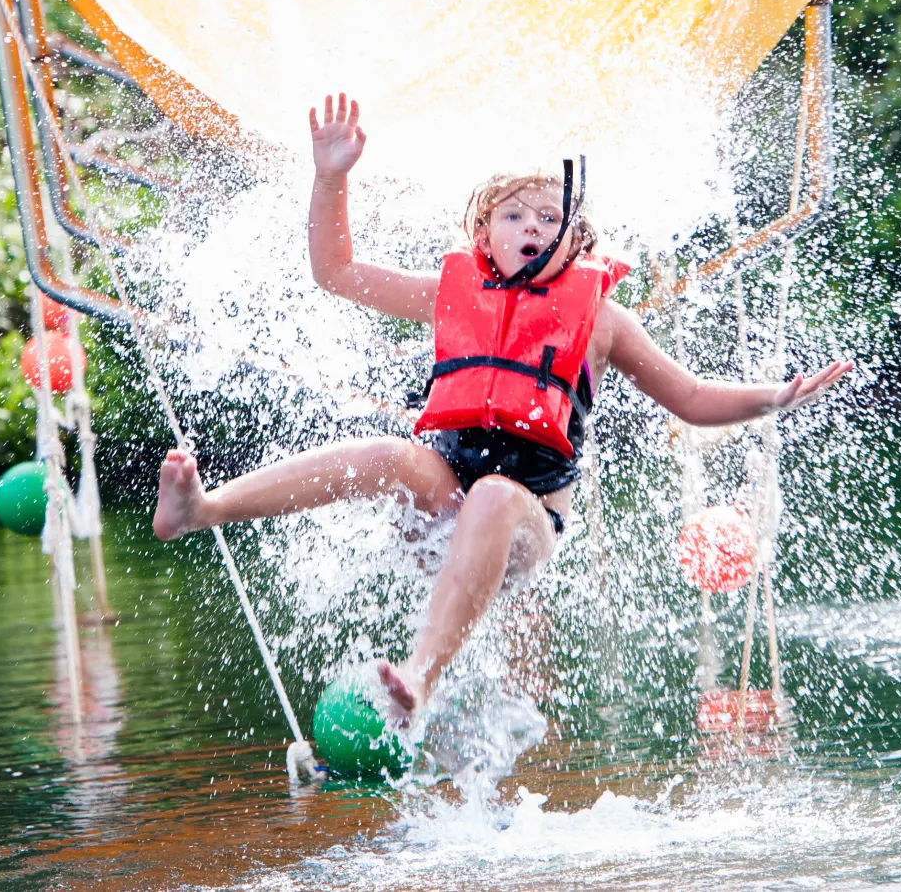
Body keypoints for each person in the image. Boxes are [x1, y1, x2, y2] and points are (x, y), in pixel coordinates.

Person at [153, 93, 851, 723]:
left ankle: (420, 676)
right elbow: (335, 273)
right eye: (513, 215)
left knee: (491, 493)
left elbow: (692, 399)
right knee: (384, 453)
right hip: (442, 495)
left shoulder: (603, 320)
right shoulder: (452, 291)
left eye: (550, 217)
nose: (532, 226)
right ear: (481, 236)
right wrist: (332, 175)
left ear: (578, 242)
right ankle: (205, 509)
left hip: (526, 521)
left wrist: (775, 396)